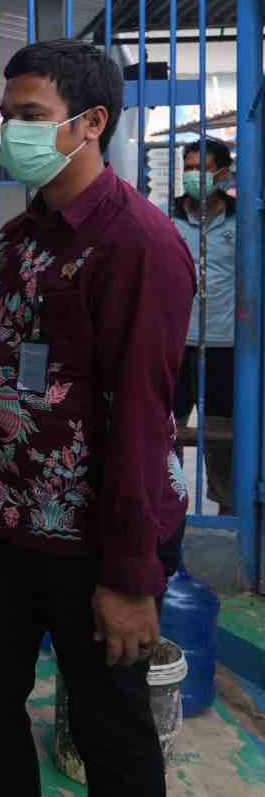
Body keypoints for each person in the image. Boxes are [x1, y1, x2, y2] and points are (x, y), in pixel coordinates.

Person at [0, 40, 194, 797]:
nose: (12, 132)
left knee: (109, 731)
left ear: (91, 123)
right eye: (7, 115)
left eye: (31, 116)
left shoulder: (139, 245)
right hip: (3, 522)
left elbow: (145, 422)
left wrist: (128, 577)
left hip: (97, 536)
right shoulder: (24, 236)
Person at [172, 137, 237, 515]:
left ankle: (230, 517)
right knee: (167, 430)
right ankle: (168, 507)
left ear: (223, 173)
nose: (194, 175)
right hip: (175, 343)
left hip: (225, 345)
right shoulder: (166, 219)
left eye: (202, 167)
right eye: (189, 167)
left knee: (224, 439)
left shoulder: (241, 220)